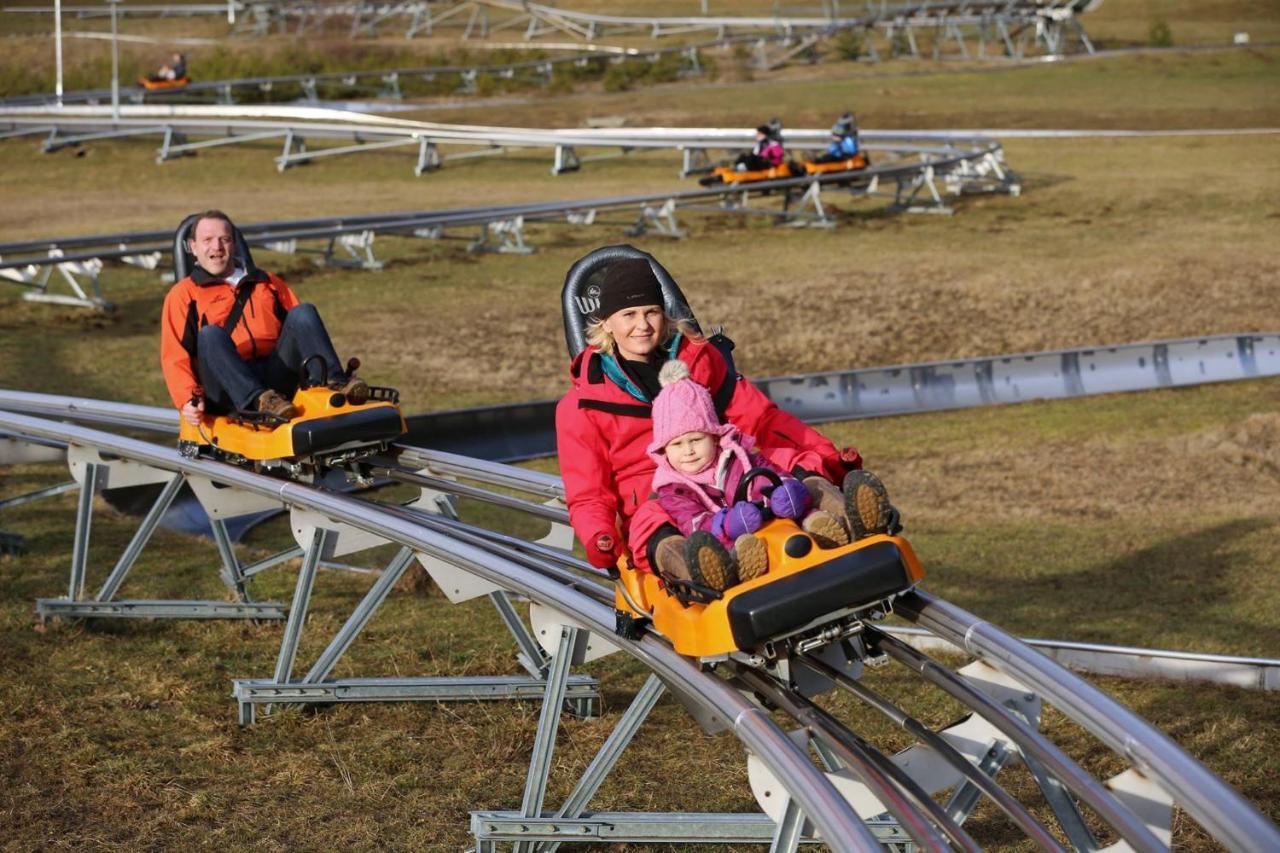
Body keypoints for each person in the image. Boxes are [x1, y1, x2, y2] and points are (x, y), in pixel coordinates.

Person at [554, 255, 887, 589]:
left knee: (786, 461)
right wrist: (601, 538)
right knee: (649, 523)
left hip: (725, 471)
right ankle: (703, 567)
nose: (642, 325)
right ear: (607, 323)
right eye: (629, 315)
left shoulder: (699, 360)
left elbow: (761, 418)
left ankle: (848, 519)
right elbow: (588, 492)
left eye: (651, 312)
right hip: (659, 492)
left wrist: (826, 458)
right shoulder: (581, 405)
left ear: (664, 314)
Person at [649, 359, 887, 591]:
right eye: (677, 444)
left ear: (714, 437)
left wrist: (786, 491)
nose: (688, 451)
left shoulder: (739, 458)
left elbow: (768, 475)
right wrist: (728, 523)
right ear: (663, 450)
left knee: (804, 506)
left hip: (774, 529)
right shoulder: (674, 488)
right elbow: (692, 522)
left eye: (696, 440)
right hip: (728, 542)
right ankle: (734, 569)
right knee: (724, 549)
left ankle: (843, 528)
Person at [160, 210, 368, 427]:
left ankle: (336, 383)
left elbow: (302, 330)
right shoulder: (183, 295)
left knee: (303, 312)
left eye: (225, 239)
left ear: (234, 244)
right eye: (208, 240)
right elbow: (174, 356)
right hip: (226, 387)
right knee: (210, 334)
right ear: (193, 247)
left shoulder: (266, 282)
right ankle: (257, 400)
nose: (217, 247)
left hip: (276, 377)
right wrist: (187, 399)